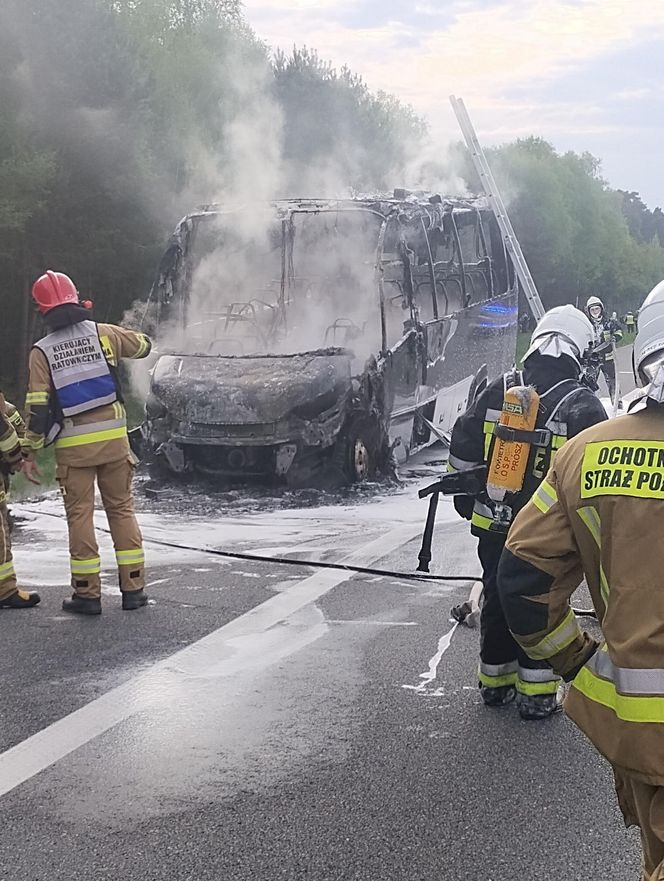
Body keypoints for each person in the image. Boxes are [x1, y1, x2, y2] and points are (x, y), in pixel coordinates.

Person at [497, 279, 664, 877]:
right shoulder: (579, 400)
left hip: (642, 732)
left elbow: (518, 579)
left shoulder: (519, 395)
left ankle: (501, 685)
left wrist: (583, 670)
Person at [449, 305, 607, 719]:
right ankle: (536, 696)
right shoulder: (582, 404)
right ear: (579, 349)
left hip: (491, 523)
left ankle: (494, 685)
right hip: (545, 535)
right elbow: (597, 474)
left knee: (498, 597)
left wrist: (467, 501)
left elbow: (463, 440)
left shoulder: (499, 388)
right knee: (542, 604)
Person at [24, 270, 153, 615]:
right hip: (114, 443)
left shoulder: (41, 352)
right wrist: (135, 333)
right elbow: (143, 346)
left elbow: (37, 409)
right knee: (122, 510)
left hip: (73, 448)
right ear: (78, 300)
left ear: (42, 310)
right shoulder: (104, 334)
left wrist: (28, 452)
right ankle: (134, 589)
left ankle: (87, 594)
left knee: (79, 517)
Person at [0, 393, 40, 609]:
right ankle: (5, 591)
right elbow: (6, 436)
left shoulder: (9, 409)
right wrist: (17, 459)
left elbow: (18, 427)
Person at [585, 296, 623, 399]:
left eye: (597, 309)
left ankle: (617, 404)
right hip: (592, 359)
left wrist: (615, 337)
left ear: (601, 309)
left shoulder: (609, 323)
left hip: (608, 358)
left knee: (612, 381)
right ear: (589, 311)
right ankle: (591, 404)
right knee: (589, 383)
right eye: (592, 310)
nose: (595, 311)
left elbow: (619, 331)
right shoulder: (586, 324)